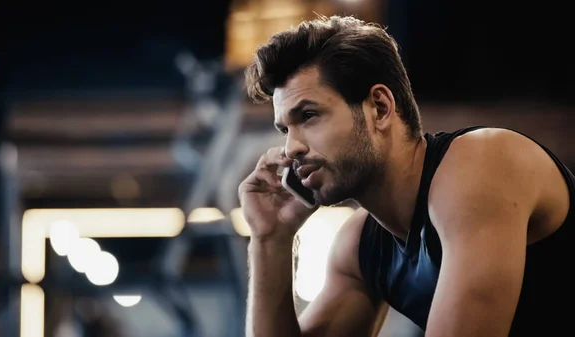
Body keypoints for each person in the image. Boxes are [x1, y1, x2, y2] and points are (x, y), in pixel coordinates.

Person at [238, 14, 575, 337]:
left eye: (309, 115)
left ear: (380, 108)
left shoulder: (481, 164)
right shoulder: (360, 245)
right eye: (285, 128)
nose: (291, 147)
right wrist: (270, 240)